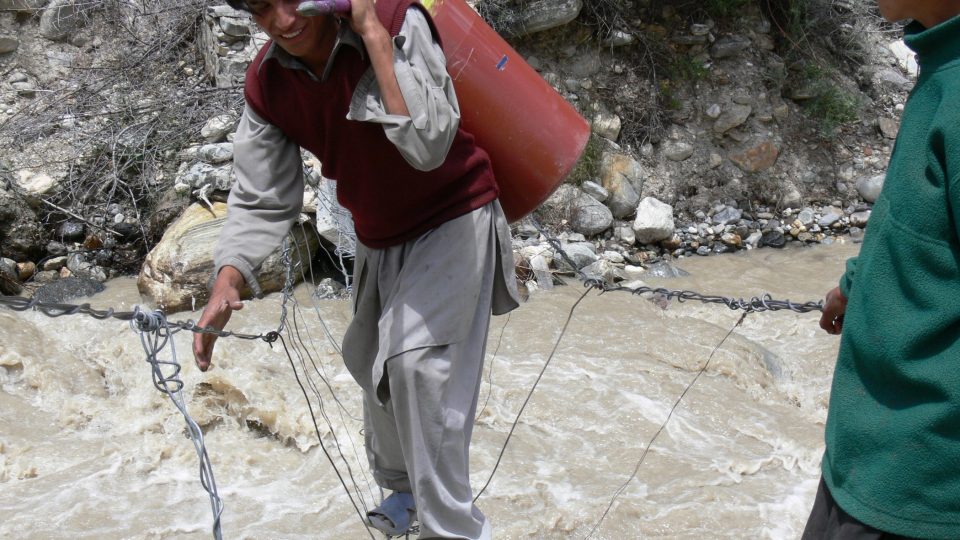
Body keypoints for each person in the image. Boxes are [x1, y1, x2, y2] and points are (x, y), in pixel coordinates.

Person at [191, 0, 519, 538]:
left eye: (289, 0)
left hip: (454, 215)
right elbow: (259, 195)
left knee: (417, 366)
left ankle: (453, 528)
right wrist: (228, 277)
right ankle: (406, 493)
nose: (282, 20)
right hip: (378, 234)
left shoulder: (397, 21)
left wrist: (370, 33)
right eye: (261, 10)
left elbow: (430, 144)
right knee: (376, 364)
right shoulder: (269, 82)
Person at [803, 1, 960, 538]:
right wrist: (856, 285)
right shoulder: (942, 61)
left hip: (920, 490)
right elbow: (915, 220)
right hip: (866, 465)